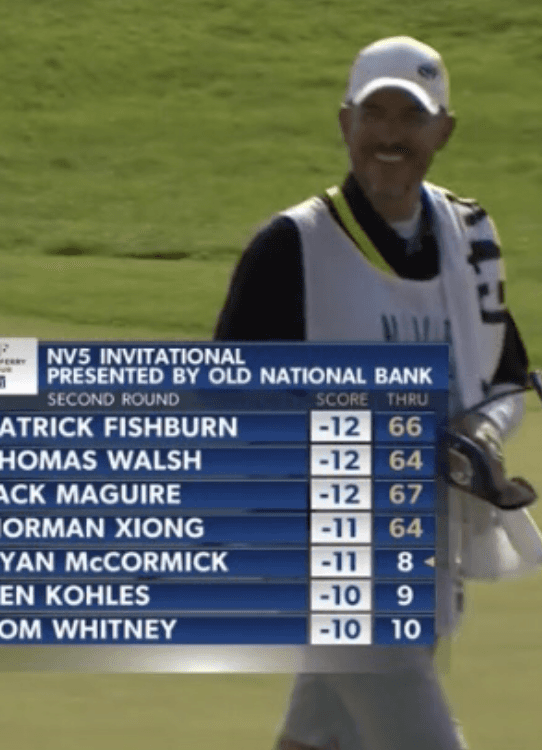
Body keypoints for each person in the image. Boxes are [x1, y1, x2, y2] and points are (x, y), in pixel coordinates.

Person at [215, 36, 540, 750]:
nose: (391, 135)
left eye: (412, 117)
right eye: (375, 114)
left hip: (425, 549)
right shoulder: (291, 248)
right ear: (346, 123)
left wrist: (480, 436)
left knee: (320, 735)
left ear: (443, 130)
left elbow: (505, 378)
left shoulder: (467, 238)